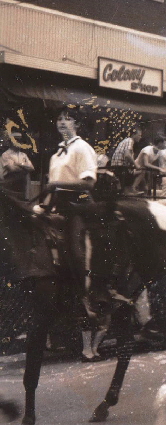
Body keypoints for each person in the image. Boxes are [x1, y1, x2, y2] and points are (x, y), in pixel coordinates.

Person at [40, 106, 104, 362]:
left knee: (76, 258)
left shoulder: (82, 148)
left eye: (68, 120)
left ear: (77, 124)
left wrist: (56, 185)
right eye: (59, 119)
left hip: (78, 207)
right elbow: (50, 187)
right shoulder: (57, 153)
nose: (63, 123)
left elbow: (88, 183)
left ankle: (89, 298)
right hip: (57, 207)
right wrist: (42, 206)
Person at [1, 131, 35, 199]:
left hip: (21, 185)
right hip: (9, 184)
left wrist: (19, 164)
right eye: (16, 141)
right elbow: (12, 169)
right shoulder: (6, 155)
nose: (19, 143)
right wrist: (25, 167)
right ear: (11, 142)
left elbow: (32, 168)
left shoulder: (23, 155)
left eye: (20, 141)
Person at [111, 127, 141, 193]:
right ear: (133, 135)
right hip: (120, 166)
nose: (140, 137)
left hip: (118, 165)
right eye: (139, 135)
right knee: (140, 172)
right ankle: (132, 189)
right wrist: (135, 165)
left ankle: (131, 190)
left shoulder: (126, 141)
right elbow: (127, 155)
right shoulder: (130, 140)